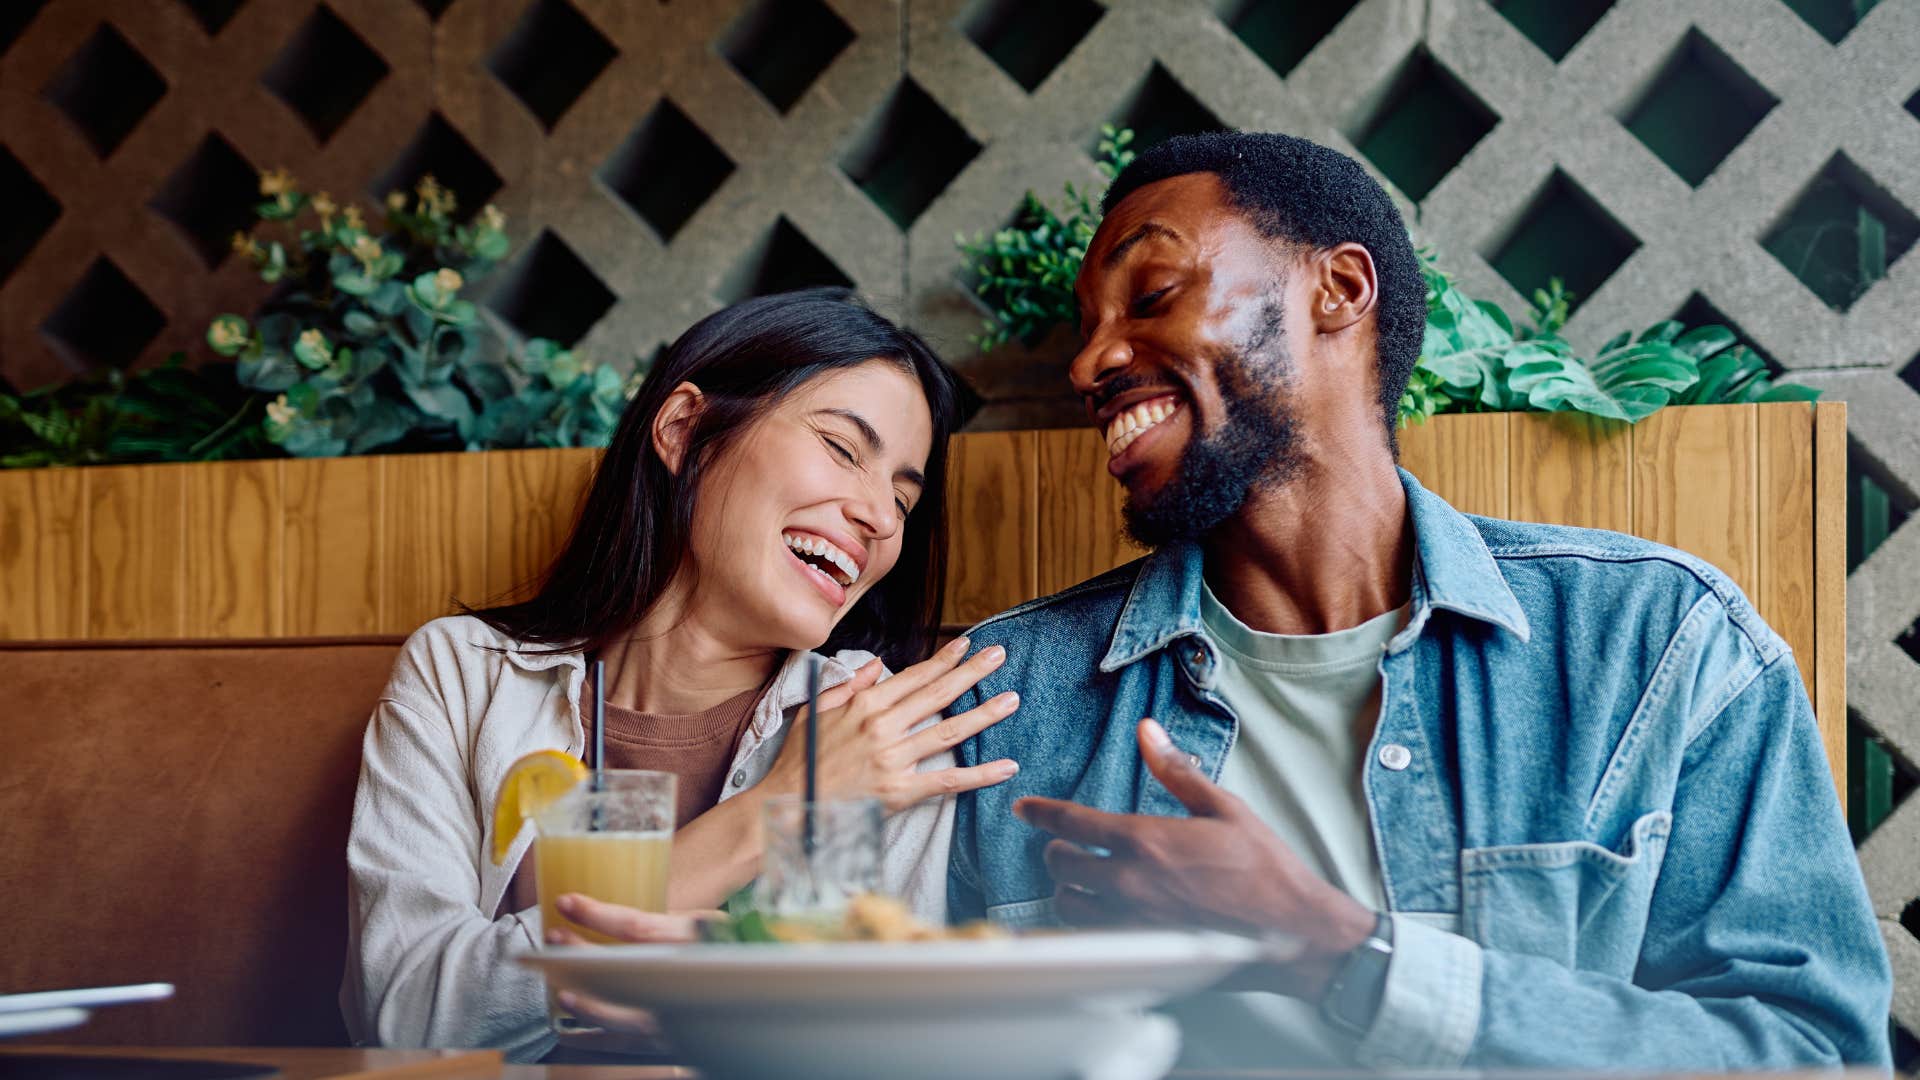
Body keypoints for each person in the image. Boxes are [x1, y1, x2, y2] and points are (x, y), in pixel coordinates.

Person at [947, 132, 1892, 1069]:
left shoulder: (1658, 645)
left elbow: (1817, 1055)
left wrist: (1340, 954)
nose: (1088, 365)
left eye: (1152, 294)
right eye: (1087, 327)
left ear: (1339, 290)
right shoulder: (1006, 701)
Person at [342, 288, 1021, 1061]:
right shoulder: (463, 676)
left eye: (903, 497)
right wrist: (774, 812)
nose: (881, 517)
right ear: (684, 429)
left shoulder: (879, 724)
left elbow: (880, 1046)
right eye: (841, 448)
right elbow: (403, 1017)